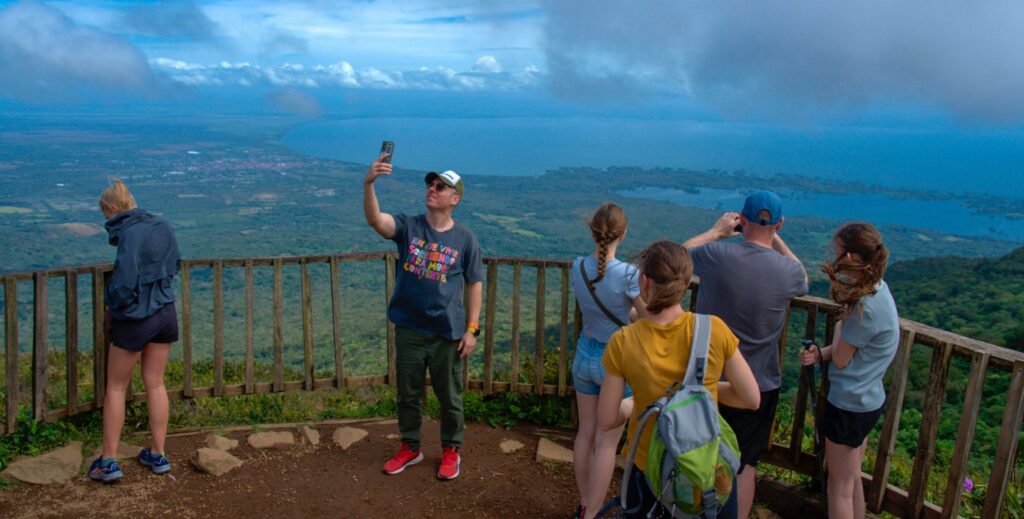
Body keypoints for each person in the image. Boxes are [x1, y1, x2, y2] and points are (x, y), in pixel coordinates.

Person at [598, 240, 761, 519]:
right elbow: (751, 398)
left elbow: (607, 418)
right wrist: (701, 390)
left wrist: (635, 402)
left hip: (650, 474)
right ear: (685, 285)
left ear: (644, 282)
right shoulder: (714, 329)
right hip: (708, 474)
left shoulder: (624, 342)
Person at [682, 190, 809, 517]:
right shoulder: (787, 271)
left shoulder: (716, 255)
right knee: (745, 464)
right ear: (780, 223)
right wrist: (775, 238)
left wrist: (716, 231)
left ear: (742, 218)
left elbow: (679, 256)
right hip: (758, 385)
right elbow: (803, 277)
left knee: (699, 453)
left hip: (708, 378)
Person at [363, 152, 483, 481]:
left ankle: (451, 450)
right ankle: (410, 447)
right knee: (408, 393)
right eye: (431, 184)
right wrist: (369, 183)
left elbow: (474, 283)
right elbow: (376, 221)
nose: (432, 189)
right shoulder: (409, 226)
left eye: (440, 187)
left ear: (454, 199)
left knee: (450, 397)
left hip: (447, 333)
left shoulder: (465, 239)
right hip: (410, 328)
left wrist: (472, 329)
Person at [801, 223, 898, 519]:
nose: (834, 256)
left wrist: (840, 325)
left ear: (852, 257)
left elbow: (842, 359)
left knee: (839, 488)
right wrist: (821, 354)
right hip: (868, 401)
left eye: (838, 251)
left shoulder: (863, 307)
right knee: (852, 477)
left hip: (848, 405)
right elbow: (852, 349)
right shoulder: (879, 290)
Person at [88, 180, 181, 483]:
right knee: (156, 383)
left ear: (112, 208)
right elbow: (175, 263)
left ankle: (108, 461)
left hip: (136, 318)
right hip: (165, 312)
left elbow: (125, 281)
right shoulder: (162, 224)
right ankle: (158, 454)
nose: (107, 222)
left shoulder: (129, 233)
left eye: (106, 216)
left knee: (116, 387)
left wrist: (112, 305)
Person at [570, 203, 647, 519]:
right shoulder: (629, 274)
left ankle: (584, 503)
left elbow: (599, 306)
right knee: (606, 443)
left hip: (584, 354)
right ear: (623, 234)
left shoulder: (578, 266)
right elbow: (648, 317)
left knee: (585, 434)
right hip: (614, 361)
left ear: (592, 231)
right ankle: (592, 514)